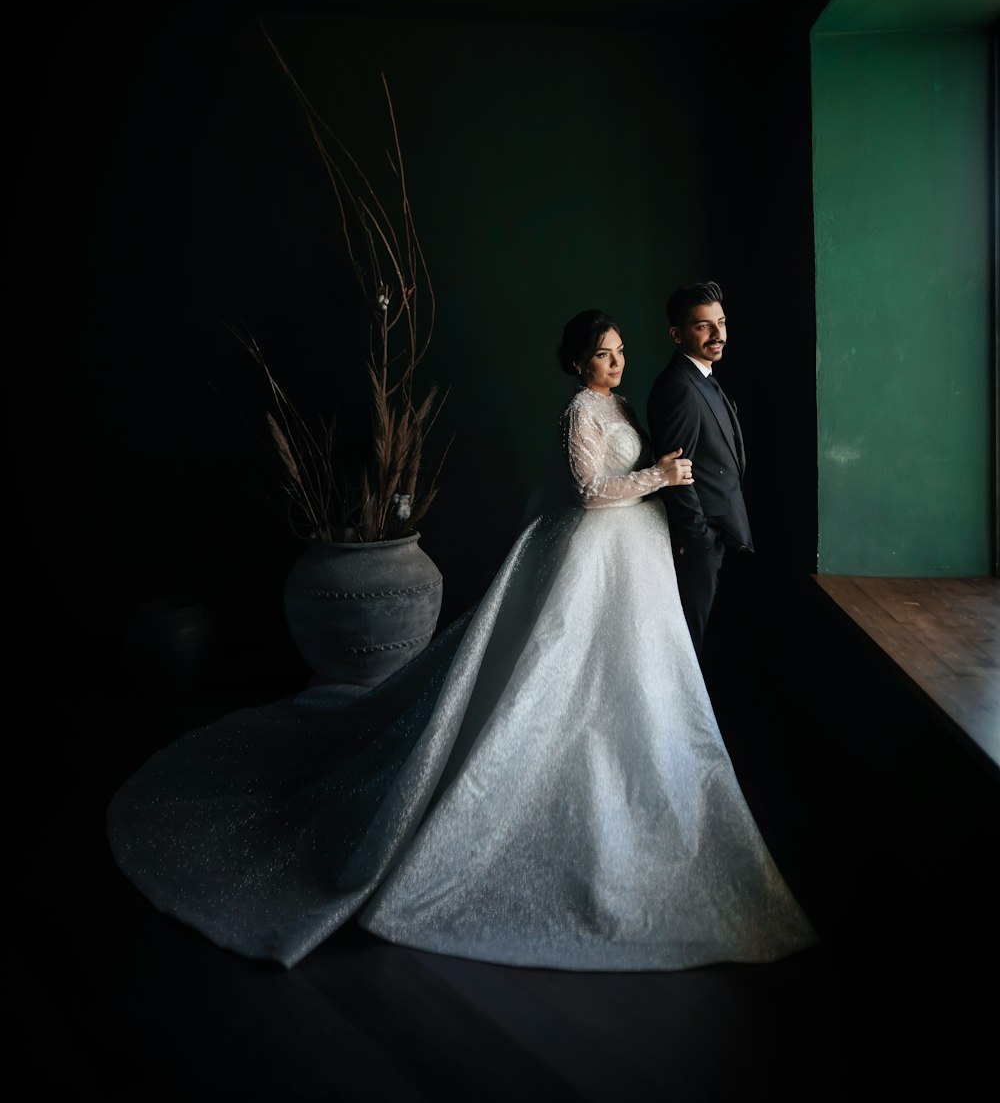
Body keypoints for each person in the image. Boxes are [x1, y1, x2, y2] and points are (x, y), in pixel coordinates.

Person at [107, 309, 814, 971]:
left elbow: (626, 482)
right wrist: (658, 475)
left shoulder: (624, 407)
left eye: (621, 353)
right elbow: (588, 492)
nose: (615, 364)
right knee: (553, 674)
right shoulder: (578, 410)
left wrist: (662, 487)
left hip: (635, 554)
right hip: (589, 549)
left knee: (639, 676)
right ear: (577, 363)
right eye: (603, 355)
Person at [647, 281, 752, 657]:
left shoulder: (702, 376)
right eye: (703, 326)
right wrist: (700, 541)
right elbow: (675, 473)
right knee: (686, 649)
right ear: (676, 334)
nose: (718, 334)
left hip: (715, 537)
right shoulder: (679, 387)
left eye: (721, 322)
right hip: (698, 543)